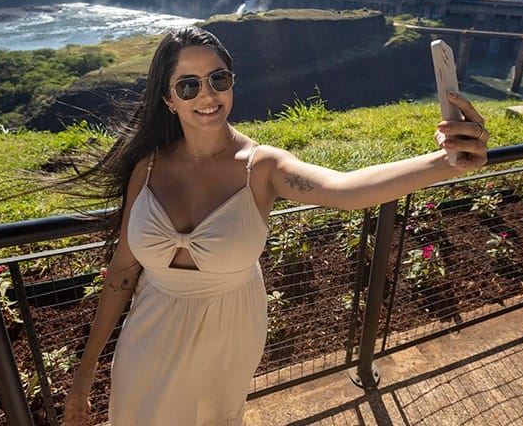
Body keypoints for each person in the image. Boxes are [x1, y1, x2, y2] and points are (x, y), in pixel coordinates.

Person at [63, 26, 489, 425]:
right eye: (188, 85)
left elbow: (343, 190)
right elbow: (121, 272)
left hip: (225, 341)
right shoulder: (148, 168)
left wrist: (444, 162)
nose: (206, 95)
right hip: (147, 338)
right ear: (168, 98)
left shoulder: (260, 167)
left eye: (218, 79)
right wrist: (85, 373)